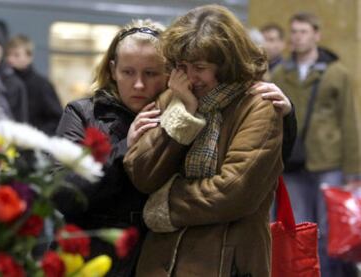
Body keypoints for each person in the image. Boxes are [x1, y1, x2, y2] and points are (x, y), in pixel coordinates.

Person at [54, 17, 294, 277]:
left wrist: (288, 117)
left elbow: (249, 178)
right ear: (113, 70)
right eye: (128, 72)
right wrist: (126, 147)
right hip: (105, 254)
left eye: (151, 73)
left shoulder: (184, 100)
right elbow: (66, 190)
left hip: (190, 253)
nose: (138, 84)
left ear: (168, 73)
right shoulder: (87, 112)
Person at [124, 5, 284, 276]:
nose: (190, 77)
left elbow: (233, 192)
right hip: (160, 262)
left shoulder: (257, 105)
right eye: (182, 67)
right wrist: (184, 113)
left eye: (200, 67)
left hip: (226, 261)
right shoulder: (175, 97)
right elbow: (143, 175)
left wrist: (164, 203)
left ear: (226, 64)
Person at [271, 12, 360, 277]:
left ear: (316, 35)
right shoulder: (279, 73)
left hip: (328, 160)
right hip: (293, 162)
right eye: (294, 32)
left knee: (329, 229)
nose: (297, 37)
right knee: (299, 228)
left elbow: (348, 120)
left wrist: (353, 171)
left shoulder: (336, 73)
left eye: (303, 31)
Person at [6, 34, 62, 134]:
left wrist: (35, 134)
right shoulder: (5, 82)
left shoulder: (42, 85)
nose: (10, 59)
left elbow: (57, 119)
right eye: (8, 55)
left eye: (16, 55)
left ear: (29, 57)